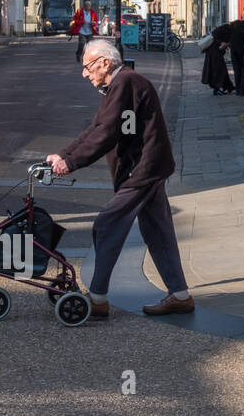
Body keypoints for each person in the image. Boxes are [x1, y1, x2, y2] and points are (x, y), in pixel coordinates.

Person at [46, 39, 193, 318]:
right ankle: (181, 295)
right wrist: (64, 154)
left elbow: (107, 133)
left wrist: (71, 162)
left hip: (142, 171)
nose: (84, 73)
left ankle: (98, 299)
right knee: (158, 231)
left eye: (88, 67)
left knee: (107, 224)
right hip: (146, 168)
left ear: (105, 62)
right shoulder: (116, 86)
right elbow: (98, 127)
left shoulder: (125, 83)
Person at [202, 22, 236, 95]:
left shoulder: (225, 29)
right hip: (214, 53)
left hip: (214, 52)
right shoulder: (227, 30)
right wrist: (221, 43)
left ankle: (229, 87)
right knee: (218, 70)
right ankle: (217, 89)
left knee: (222, 70)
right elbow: (216, 38)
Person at [225, 19, 244, 95]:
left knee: (237, 71)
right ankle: (242, 89)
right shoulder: (242, 31)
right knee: (243, 69)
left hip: (234, 52)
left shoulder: (233, 32)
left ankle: (238, 89)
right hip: (240, 52)